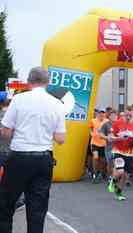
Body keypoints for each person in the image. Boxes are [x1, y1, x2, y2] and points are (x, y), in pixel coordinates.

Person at [0, 67, 66, 233]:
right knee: (37, 210)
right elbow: (60, 139)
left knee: (6, 204)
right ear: (47, 82)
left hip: (19, 157)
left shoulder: (18, 99)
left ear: (29, 82)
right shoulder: (57, 104)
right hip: (43, 158)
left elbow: (5, 131)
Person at [108, 107, 133, 200]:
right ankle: (112, 180)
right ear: (123, 114)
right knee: (120, 171)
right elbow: (110, 137)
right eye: (126, 115)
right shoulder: (117, 123)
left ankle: (118, 192)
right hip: (118, 150)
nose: (128, 117)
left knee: (125, 176)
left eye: (130, 116)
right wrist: (119, 138)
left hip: (129, 152)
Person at [89, 110, 108, 183]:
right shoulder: (93, 120)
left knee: (103, 160)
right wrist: (91, 133)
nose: (101, 114)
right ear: (97, 114)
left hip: (103, 143)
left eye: (103, 113)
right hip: (94, 143)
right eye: (100, 113)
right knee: (95, 157)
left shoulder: (107, 121)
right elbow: (90, 128)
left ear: (105, 114)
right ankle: (95, 174)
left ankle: (101, 173)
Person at [99, 109, 118, 179]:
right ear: (109, 116)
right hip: (109, 148)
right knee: (110, 163)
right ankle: (110, 176)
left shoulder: (119, 124)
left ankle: (114, 177)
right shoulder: (106, 125)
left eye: (115, 115)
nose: (114, 117)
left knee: (116, 163)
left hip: (118, 148)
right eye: (112, 115)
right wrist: (107, 137)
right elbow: (100, 134)